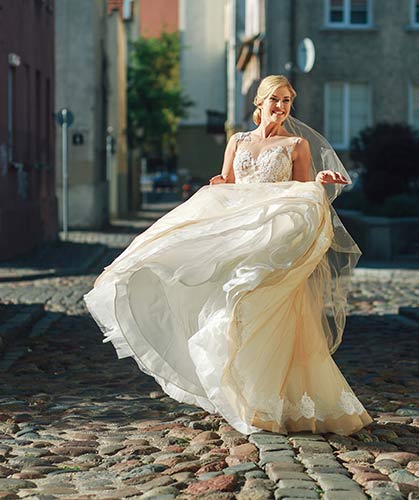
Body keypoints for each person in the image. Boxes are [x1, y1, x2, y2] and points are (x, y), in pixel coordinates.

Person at [84, 75, 372, 436]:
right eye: (275, 100)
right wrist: (215, 189)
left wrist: (319, 182)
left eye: (286, 101)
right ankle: (248, 398)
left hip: (272, 238)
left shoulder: (296, 145)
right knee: (228, 307)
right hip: (239, 236)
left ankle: (271, 400)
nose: (281, 108)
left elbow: (300, 194)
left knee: (257, 306)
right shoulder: (237, 142)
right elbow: (227, 183)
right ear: (259, 103)